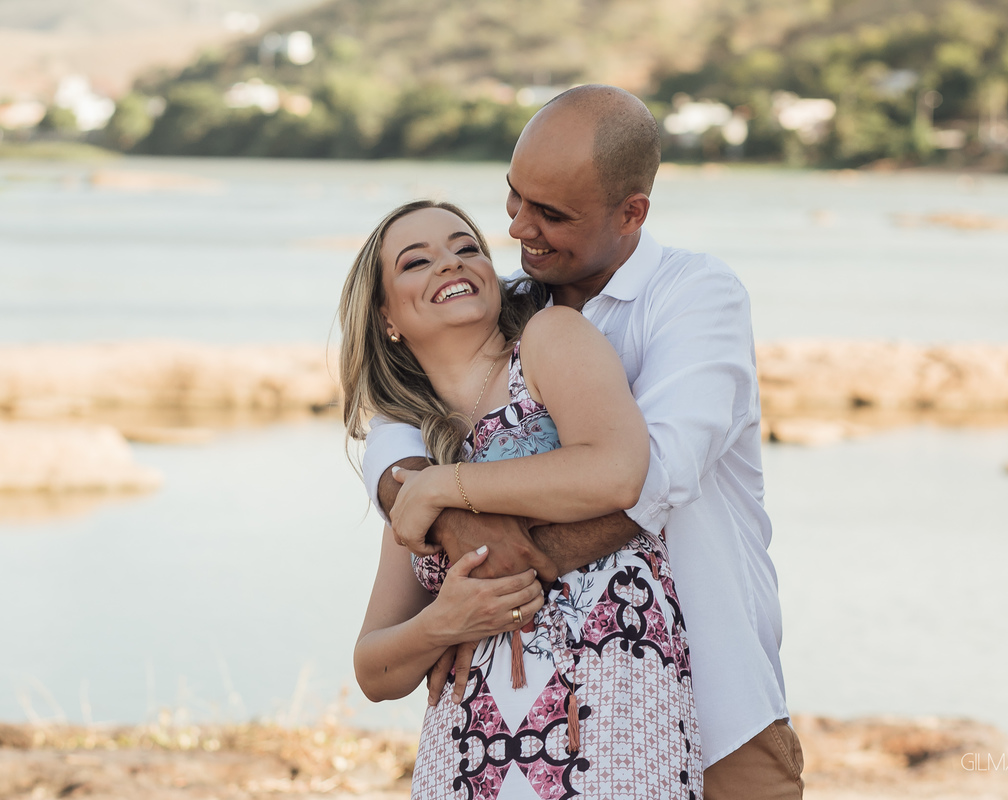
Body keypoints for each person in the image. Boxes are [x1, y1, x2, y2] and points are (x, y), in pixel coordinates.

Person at [362, 86, 804, 799]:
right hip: (526, 730)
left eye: (551, 215)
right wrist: (442, 513)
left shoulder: (695, 296)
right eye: (513, 198)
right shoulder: (501, 304)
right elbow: (393, 425)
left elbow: (651, 479)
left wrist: (503, 568)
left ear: (631, 213)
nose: (518, 229)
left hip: (717, 708)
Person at [342, 199, 702, 799]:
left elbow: (619, 471)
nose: (449, 265)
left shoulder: (546, 342)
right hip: (468, 746)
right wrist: (442, 622)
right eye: (416, 261)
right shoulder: (414, 452)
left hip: (607, 707)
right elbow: (373, 669)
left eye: (466, 248)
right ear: (386, 317)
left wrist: (445, 488)